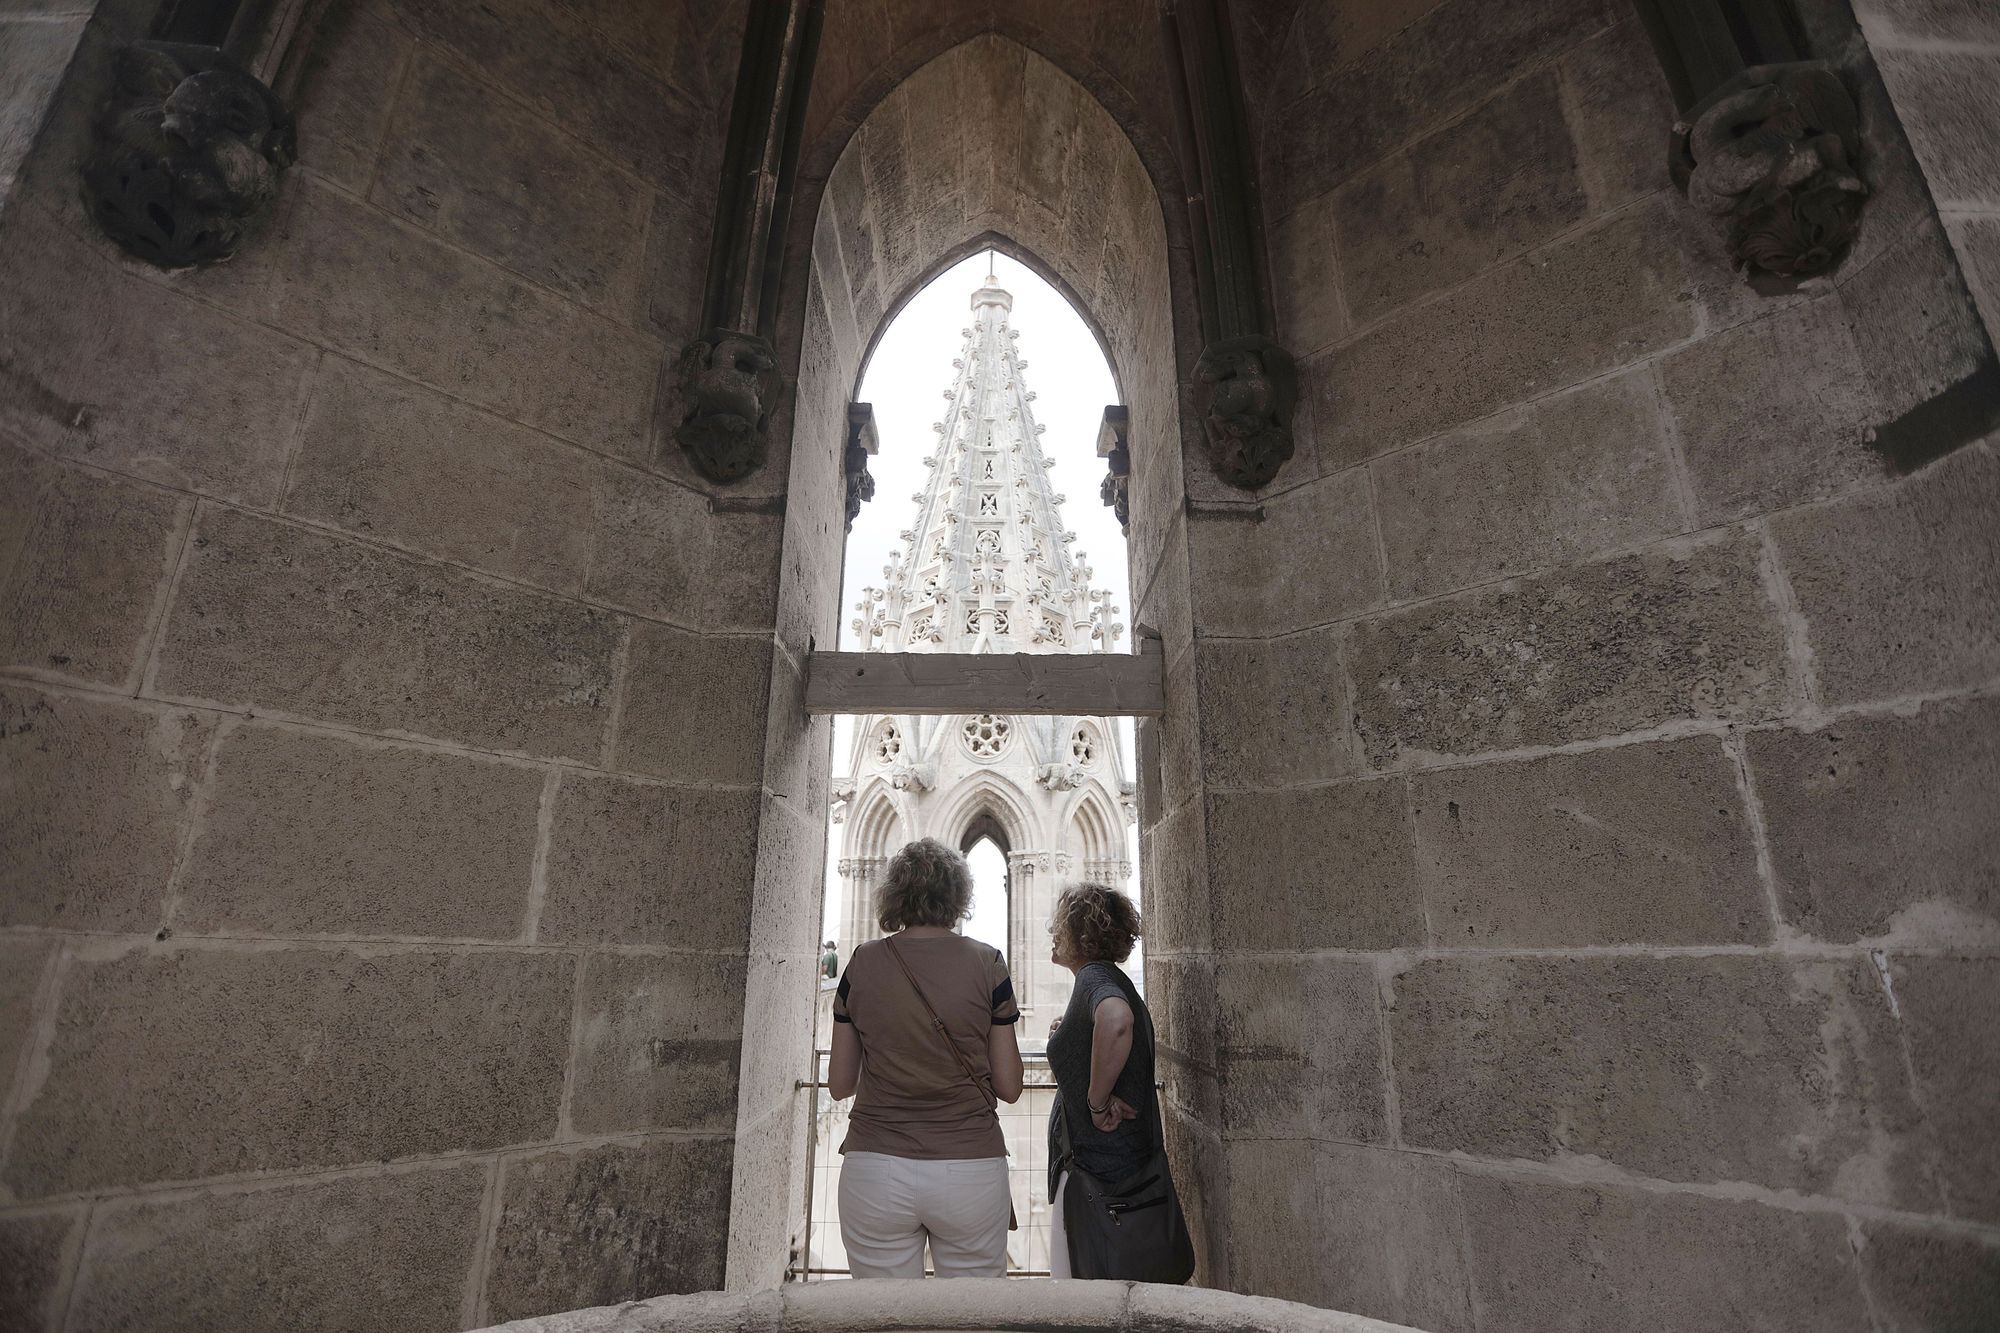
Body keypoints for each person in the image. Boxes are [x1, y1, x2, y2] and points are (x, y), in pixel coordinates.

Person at [828, 838, 1025, 1278]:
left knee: (881, 1319)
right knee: (973, 1319)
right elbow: (1010, 1087)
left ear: (894, 894)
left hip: (875, 1167)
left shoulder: (861, 963)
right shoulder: (988, 963)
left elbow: (840, 1083)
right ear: (958, 896)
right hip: (970, 1169)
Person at [1043, 881, 1150, 1279]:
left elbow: (1116, 1019)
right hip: (1107, 1171)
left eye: (1060, 927)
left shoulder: (1092, 978)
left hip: (1096, 1174)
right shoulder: (1104, 978)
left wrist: (1096, 1101)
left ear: (1082, 934)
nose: (1053, 935)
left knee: (1078, 1296)